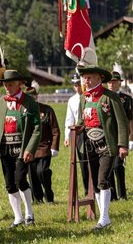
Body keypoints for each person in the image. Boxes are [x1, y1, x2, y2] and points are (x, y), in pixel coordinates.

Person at [73, 65, 129, 231]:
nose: (86, 81)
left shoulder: (110, 97)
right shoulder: (83, 98)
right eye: (84, 78)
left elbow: (122, 122)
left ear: (99, 78)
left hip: (108, 145)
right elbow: (82, 121)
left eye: (90, 78)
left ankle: (104, 219)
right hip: (90, 145)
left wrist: (123, 145)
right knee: (96, 184)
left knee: (102, 180)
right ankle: (104, 218)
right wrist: (77, 127)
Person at [0, 69, 41, 229]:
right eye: (5, 85)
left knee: (20, 179)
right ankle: (18, 217)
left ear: (20, 84)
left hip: (21, 148)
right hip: (5, 149)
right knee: (10, 184)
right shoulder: (1, 103)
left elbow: (37, 128)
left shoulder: (30, 102)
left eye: (10, 84)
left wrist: (30, 148)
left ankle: (29, 214)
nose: (7, 87)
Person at [25, 85, 60, 204]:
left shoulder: (47, 110)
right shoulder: (24, 112)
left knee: (42, 171)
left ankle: (49, 194)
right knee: (33, 175)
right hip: (29, 148)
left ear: (36, 97)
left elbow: (55, 130)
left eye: (33, 97)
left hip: (45, 147)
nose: (31, 99)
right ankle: (38, 198)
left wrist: (54, 147)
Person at [106, 71, 132, 201]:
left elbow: (130, 120)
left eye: (114, 82)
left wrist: (130, 138)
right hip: (108, 136)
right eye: (109, 82)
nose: (111, 84)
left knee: (118, 165)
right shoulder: (104, 98)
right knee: (108, 166)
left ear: (119, 83)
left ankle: (122, 194)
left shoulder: (126, 99)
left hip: (121, 136)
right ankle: (112, 195)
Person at [64, 73, 89, 195]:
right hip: (79, 134)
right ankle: (86, 189)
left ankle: (97, 186)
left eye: (79, 84)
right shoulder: (72, 100)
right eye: (75, 85)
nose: (77, 87)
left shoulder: (88, 96)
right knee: (83, 162)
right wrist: (67, 136)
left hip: (90, 131)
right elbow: (69, 119)